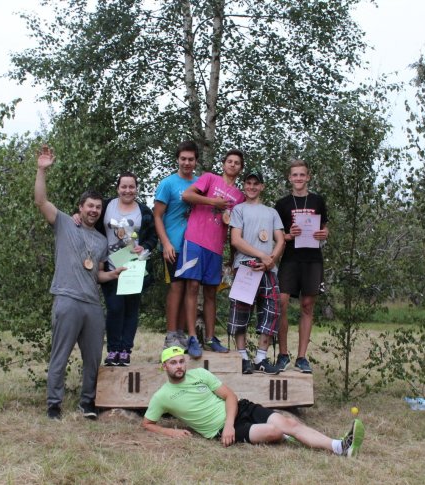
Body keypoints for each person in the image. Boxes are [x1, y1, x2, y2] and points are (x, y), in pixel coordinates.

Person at [34, 145, 125, 420]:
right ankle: (54, 405)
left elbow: (97, 274)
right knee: (60, 355)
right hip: (67, 299)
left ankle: (87, 403)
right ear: (80, 208)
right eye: (90, 206)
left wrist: (113, 275)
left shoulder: (101, 240)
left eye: (98, 207)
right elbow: (41, 201)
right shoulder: (64, 223)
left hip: (92, 304)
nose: (94, 210)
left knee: (93, 358)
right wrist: (41, 170)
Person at [141, 346, 365, 457]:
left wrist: (229, 424)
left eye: (181, 361)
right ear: (164, 366)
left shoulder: (199, 374)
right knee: (275, 432)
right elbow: (147, 424)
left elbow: (230, 396)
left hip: (239, 410)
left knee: (289, 423)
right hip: (220, 430)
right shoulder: (162, 396)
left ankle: (339, 446)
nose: (179, 366)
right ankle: (289, 436)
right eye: (173, 363)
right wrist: (171, 432)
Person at [178, 149, 245, 358]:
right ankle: (192, 337)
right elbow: (187, 195)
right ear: (223, 164)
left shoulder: (240, 196)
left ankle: (210, 338)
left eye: (237, 163)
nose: (232, 165)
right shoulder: (209, 178)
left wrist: (233, 257)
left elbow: (236, 227)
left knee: (210, 292)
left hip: (216, 247)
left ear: (240, 169)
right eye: (229, 161)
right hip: (195, 240)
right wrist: (213, 202)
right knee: (192, 286)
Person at [90, 172, 157, 367]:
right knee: (114, 309)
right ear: (117, 188)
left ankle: (125, 351)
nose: (128, 190)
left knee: (130, 311)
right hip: (110, 266)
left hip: (134, 269)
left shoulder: (144, 211)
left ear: (136, 189)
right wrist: (77, 216)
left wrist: (144, 246)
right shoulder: (106, 206)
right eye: (124, 186)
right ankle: (113, 350)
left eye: (131, 187)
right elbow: (89, 215)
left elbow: (153, 237)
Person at [273, 160, 329, 374]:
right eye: (294, 175)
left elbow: (325, 228)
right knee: (281, 303)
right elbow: (278, 235)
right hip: (290, 258)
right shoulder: (282, 204)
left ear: (308, 177)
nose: (298, 178)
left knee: (307, 305)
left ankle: (302, 357)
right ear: (289, 178)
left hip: (312, 259)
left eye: (302, 175)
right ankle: (283, 354)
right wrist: (288, 235)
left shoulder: (317, 200)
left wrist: (324, 233)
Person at [228, 171, 286, 375]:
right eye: (248, 183)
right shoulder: (238, 209)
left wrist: (271, 261)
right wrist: (262, 255)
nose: (252, 187)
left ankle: (261, 357)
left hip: (268, 268)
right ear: (244, 185)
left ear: (262, 187)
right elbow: (236, 240)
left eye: (256, 183)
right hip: (246, 265)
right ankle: (242, 358)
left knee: (271, 310)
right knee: (241, 311)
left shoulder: (272, 212)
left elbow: (280, 240)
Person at [153, 141, 198, 350]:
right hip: (174, 246)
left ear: (196, 161)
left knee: (191, 289)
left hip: (194, 245)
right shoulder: (168, 184)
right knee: (176, 287)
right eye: (183, 159)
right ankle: (171, 335)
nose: (187, 163)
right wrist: (165, 243)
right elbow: (157, 216)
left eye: (191, 159)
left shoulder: (200, 183)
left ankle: (182, 333)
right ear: (177, 160)